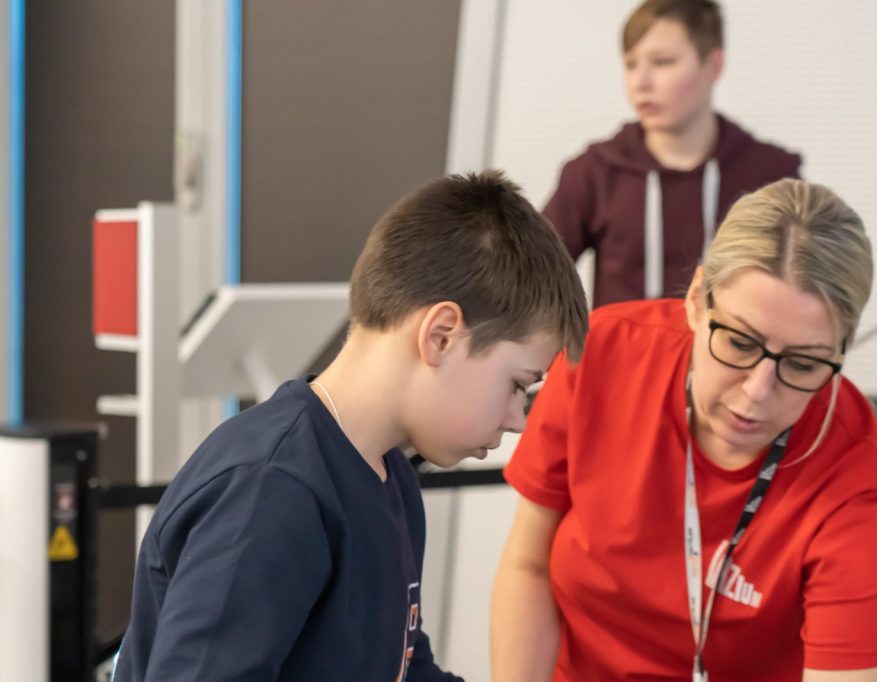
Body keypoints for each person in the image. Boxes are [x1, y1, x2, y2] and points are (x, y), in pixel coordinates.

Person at [113, 170, 589, 681]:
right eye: (517, 384)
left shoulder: (391, 476)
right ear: (441, 336)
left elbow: (405, 667)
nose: (518, 419)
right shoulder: (270, 491)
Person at [492, 178, 877, 681]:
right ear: (696, 299)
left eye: (802, 364)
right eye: (739, 342)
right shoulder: (603, 354)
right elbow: (529, 566)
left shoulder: (858, 475)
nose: (757, 391)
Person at [544, 0, 801, 308]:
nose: (641, 83)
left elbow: (805, 290)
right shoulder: (594, 172)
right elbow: (527, 281)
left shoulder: (770, 176)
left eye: (663, 62)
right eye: (630, 64)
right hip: (620, 341)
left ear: (713, 66)